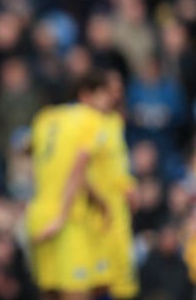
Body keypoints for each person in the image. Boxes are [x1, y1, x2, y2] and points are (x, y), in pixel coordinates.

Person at [25, 70, 111, 300]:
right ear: (85, 95)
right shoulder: (92, 119)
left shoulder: (43, 118)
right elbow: (79, 168)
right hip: (69, 218)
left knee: (49, 291)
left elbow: (25, 152)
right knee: (77, 291)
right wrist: (64, 215)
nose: (110, 102)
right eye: (104, 95)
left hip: (40, 211)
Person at [85, 69, 139, 300]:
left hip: (118, 211)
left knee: (122, 282)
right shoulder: (84, 123)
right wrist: (97, 198)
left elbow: (119, 165)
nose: (115, 95)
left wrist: (129, 188)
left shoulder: (115, 122)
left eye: (118, 90)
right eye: (110, 90)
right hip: (96, 213)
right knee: (96, 282)